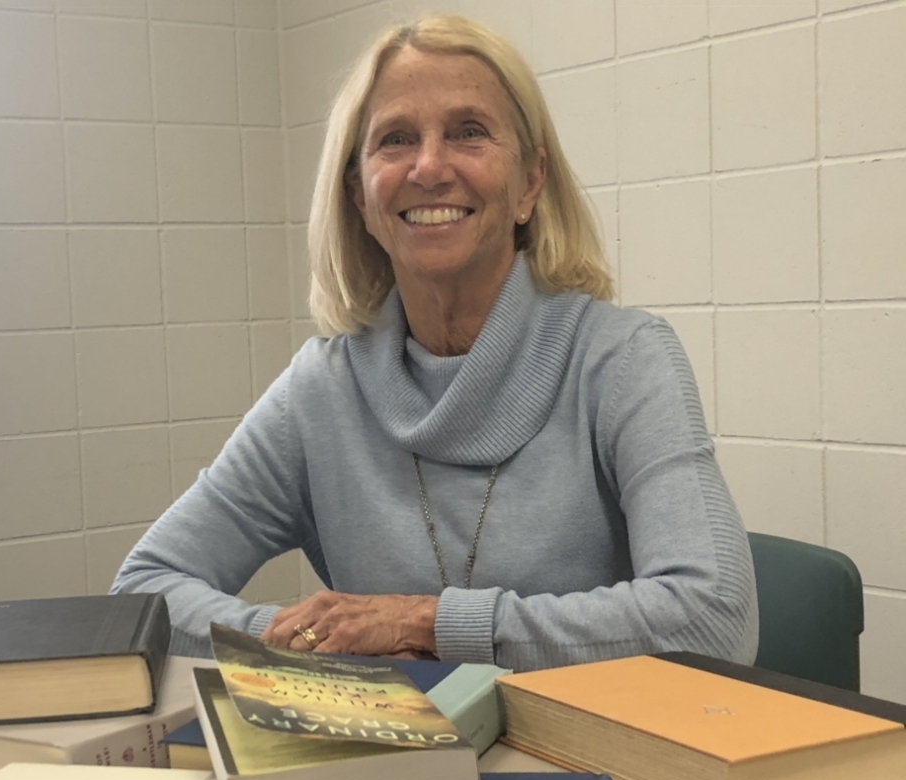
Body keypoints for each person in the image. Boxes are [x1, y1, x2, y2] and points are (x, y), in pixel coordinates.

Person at [111, 15, 758, 672]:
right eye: (395, 140)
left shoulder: (624, 360)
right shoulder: (321, 390)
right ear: (360, 198)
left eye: (468, 133)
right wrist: (314, 641)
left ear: (530, 182)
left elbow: (713, 617)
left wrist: (421, 624)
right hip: (393, 766)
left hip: (589, 764)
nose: (428, 166)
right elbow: (143, 588)